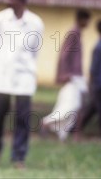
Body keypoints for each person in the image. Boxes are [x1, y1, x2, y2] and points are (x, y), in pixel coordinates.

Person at [0, 0, 44, 169]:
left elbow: (35, 50)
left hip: (24, 77)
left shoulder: (35, 23)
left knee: (22, 118)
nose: (7, 1)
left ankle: (18, 157)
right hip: (2, 75)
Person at [42, 8, 91, 141]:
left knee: (77, 107)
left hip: (76, 76)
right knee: (72, 106)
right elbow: (65, 55)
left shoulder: (78, 33)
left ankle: (70, 134)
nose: (88, 23)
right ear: (82, 20)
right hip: (72, 77)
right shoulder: (73, 33)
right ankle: (47, 123)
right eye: (87, 20)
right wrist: (65, 74)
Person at [74, 19, 101, 139]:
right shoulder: (98, 47)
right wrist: (91, 84)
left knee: (92, 109)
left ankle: (75, 129)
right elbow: (93, 68)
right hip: (99, 84)